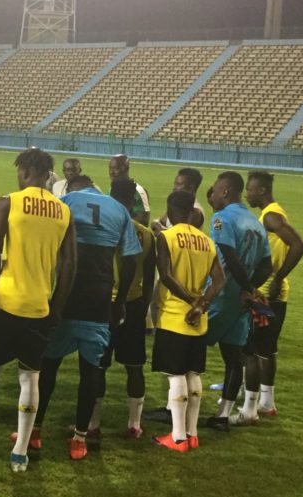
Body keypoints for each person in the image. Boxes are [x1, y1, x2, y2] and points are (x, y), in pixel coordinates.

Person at [0, 148, 76, 473]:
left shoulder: (8, 202)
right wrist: (57, 304)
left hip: (6, 303)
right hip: (40, 306)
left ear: (25, 171)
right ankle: (20, 453)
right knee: (30, 378)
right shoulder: (63, 211)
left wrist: (2, 280)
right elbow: (70, 264)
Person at [33, 174, 141, 460]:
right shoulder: (117, 209)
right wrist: (119, 300)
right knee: (91, 371)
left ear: (71, 188)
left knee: (48, 366)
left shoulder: (65, 201)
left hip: (66, 298)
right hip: (99, 300)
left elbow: (44, 244)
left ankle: (34, 431)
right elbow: (130, 259)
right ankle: (80, 438)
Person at [151, 190, 225, 452]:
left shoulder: (166, 237)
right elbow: (219, 280)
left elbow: (167, 276)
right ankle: (192, 433)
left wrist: (190, 301)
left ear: (171, 212)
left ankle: (178, 436)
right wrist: (203, 302)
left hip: (174, 316)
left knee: (175, 376)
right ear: (192, 213)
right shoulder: (207, 241)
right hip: (199, 321)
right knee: (194, 374)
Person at [204, 172, 272, 432]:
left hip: (220, 298)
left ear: (225, 191)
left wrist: (245, 287)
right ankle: (223, 415)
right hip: (241, 305)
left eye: (217, 188)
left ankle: (180, 412)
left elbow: (230, 257)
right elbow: (268, 264)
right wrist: (252, 289)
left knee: (192, 348)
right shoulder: (255, 223)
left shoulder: (222, 218)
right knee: (234, 359)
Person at [238, 170, 303, 422]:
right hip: (275, 295)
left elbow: (299, 244)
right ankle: (267, 402)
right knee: (268, 350)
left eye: (251, 189)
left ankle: (249, 410)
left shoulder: (271, 217)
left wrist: (277, 278)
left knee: (251, 351)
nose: (248, 193)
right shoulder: (273, 212)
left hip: (265, 295)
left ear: (262, 191)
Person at [96, 178, 156, 439]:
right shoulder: (147, 234)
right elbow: (150, 275)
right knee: (134, 366)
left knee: (98, 366)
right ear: (133, 201)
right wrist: (142, 308)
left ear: (110, 196)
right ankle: (134, 424)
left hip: (105, 304)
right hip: (133, 306)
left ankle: (92, 424)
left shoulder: (105, 227)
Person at [108, 154, 151, 226]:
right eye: (110, 168)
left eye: (116, 168)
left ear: (126, 169)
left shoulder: (139, 191)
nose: (111, 172)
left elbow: (144, 220)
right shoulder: (111, 190)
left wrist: (118, 222)